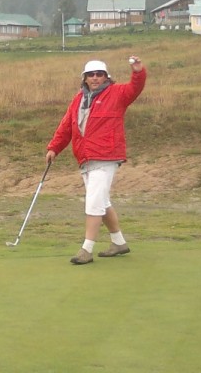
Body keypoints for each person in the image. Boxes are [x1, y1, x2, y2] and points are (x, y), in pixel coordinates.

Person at [46, 57, 147, 265]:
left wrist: (138, 72)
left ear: (106, 77)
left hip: (106, 156)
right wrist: (54, 147)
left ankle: (87, 249)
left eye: (99, 74)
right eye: (91, 75)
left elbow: (135, 89)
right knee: (102, 202)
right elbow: (67, 126)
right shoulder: (78, 99)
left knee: (94, 203)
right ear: (84, 78)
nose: (95, 78)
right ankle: (119, 242)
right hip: (86, 157)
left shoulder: (117, 93)